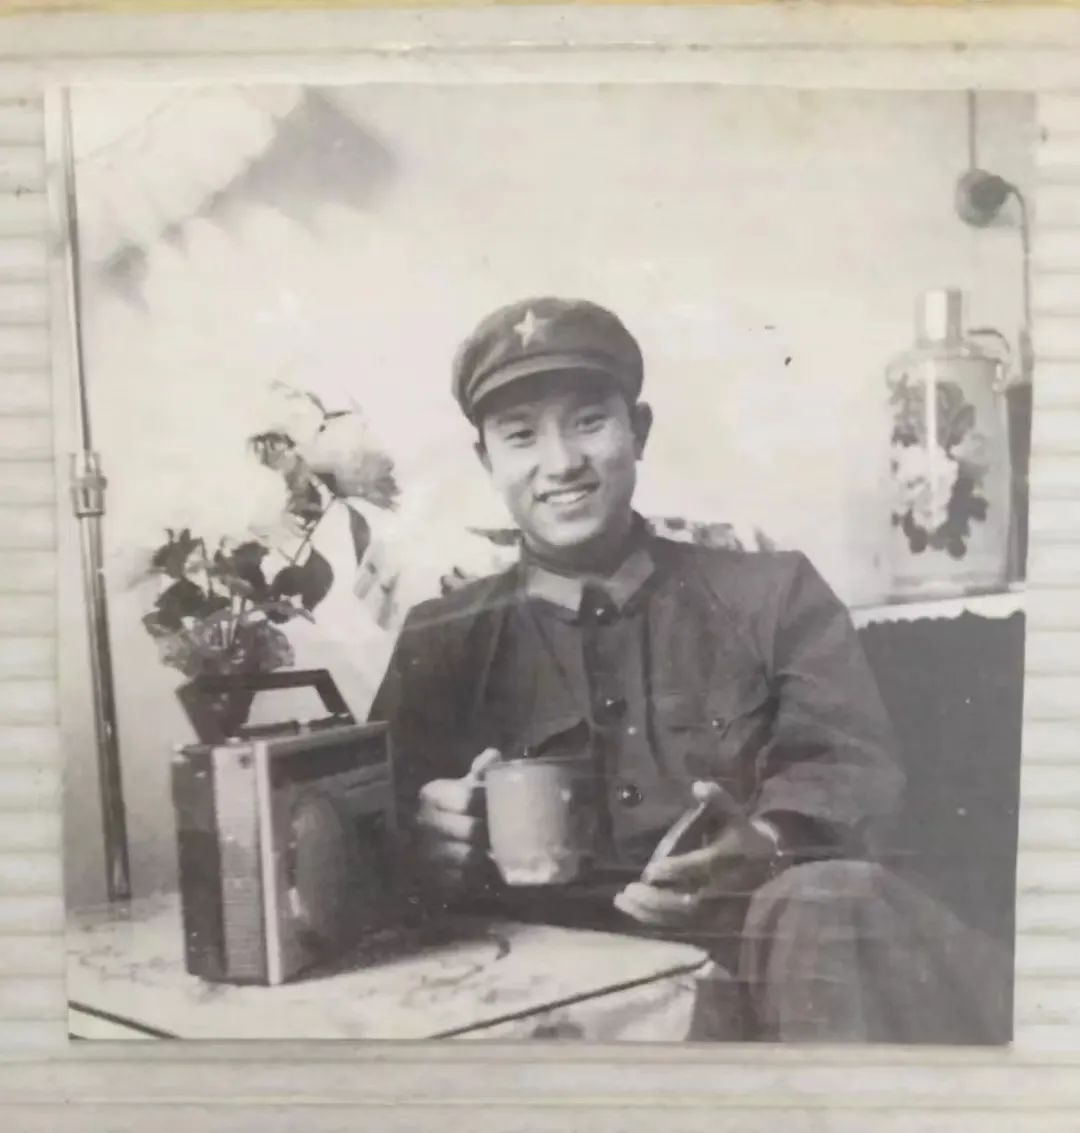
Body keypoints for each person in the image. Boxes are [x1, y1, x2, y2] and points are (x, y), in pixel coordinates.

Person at [368, 296, 1011, 1043]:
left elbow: (848, 767)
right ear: (487, 461)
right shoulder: (443, 639)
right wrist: (424, 842)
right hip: (554, 998)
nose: (562, 463)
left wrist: (767, 843)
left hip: (773, 962)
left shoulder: (773, 594)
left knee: (828, 902)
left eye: (589, 421)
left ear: (638, 431)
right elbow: (362, 836)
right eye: (520, 436)